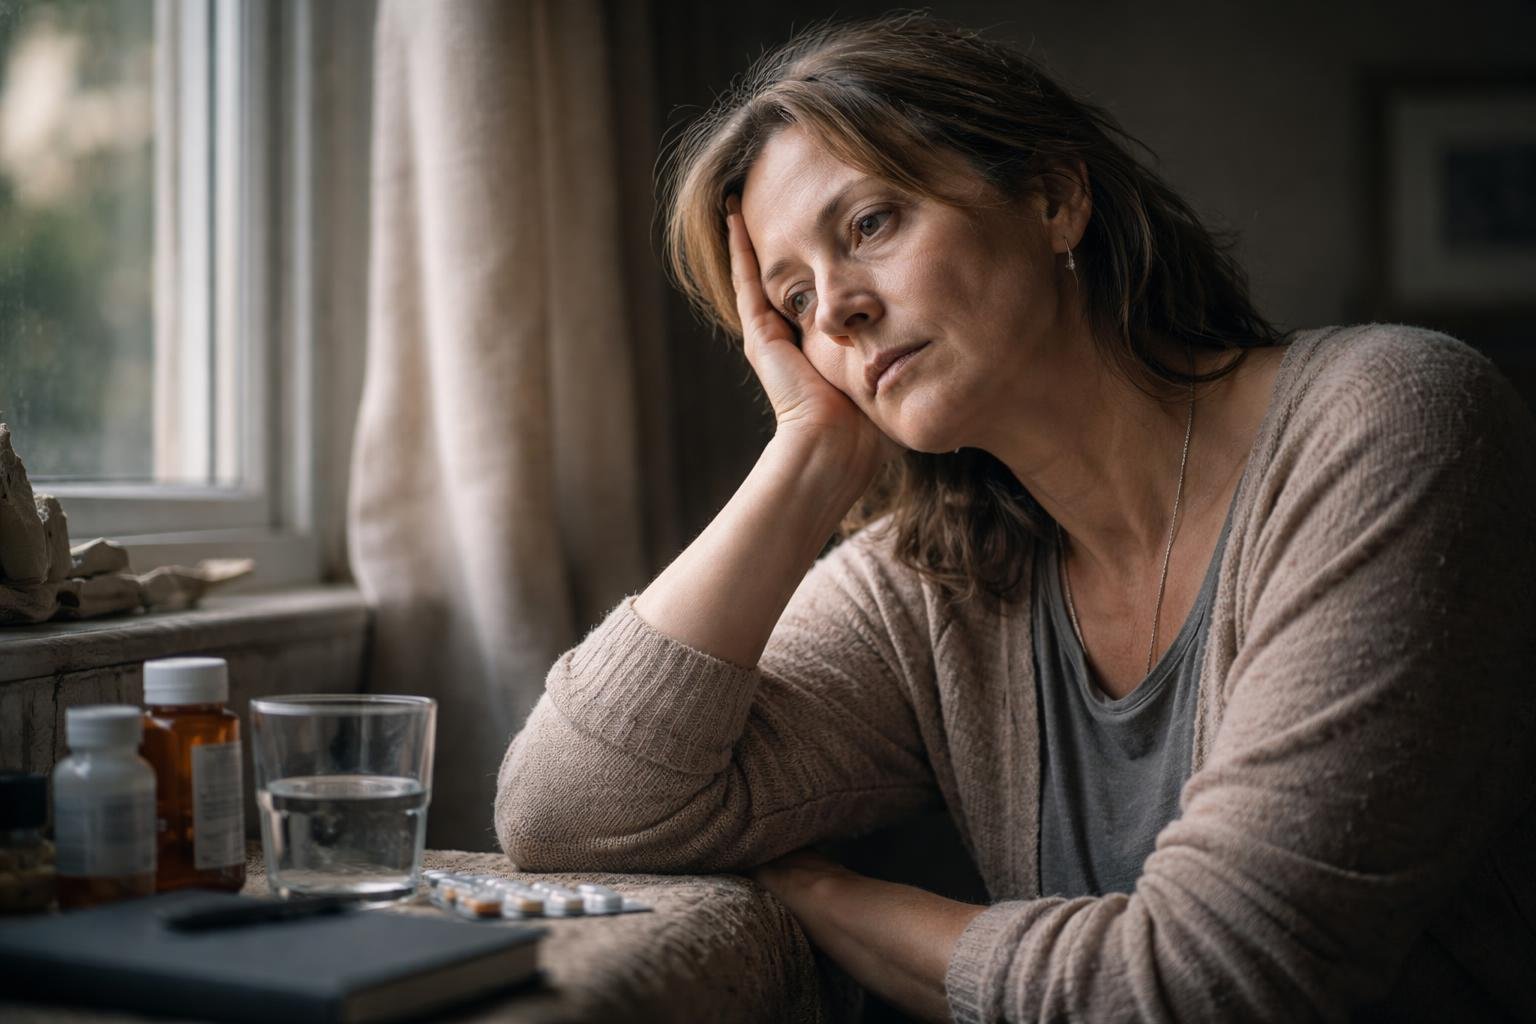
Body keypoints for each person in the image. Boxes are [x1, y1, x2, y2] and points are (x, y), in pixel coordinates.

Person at [495, 15, 1536, 1023]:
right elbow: (567, 808)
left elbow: (1204, 983)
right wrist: (806, 454)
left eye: (870, 224)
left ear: (1052, 195)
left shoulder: (1392, 423)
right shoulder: (933, 582)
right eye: (795, 302)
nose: (840, 309)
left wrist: (825, 899)